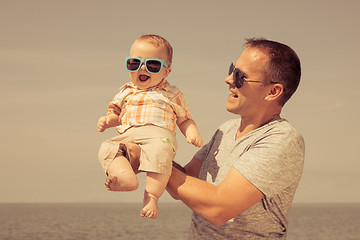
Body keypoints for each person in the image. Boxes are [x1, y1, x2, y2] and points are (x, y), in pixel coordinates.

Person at [167, 38, 305, 239]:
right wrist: (143, 150)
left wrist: (153, 163)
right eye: (232, 69)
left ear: (273, 91)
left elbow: (219, 208)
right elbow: (184, 181)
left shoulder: (282, 139)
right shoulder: (225, 130)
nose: (228, 79)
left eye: (240, 76)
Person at [97, 34, 203, 219]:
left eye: (152, 65)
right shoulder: (126, 91)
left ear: (166, 71)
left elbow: (184, 119)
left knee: (160, 153)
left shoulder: (172, 93)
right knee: (107, 147)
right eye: (134, 63)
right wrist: (108, 121)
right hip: (128, 135)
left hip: (158, 135)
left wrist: (191, 132)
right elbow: (116, 114)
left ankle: (151, 196)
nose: (142, 68)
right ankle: (123, 177)